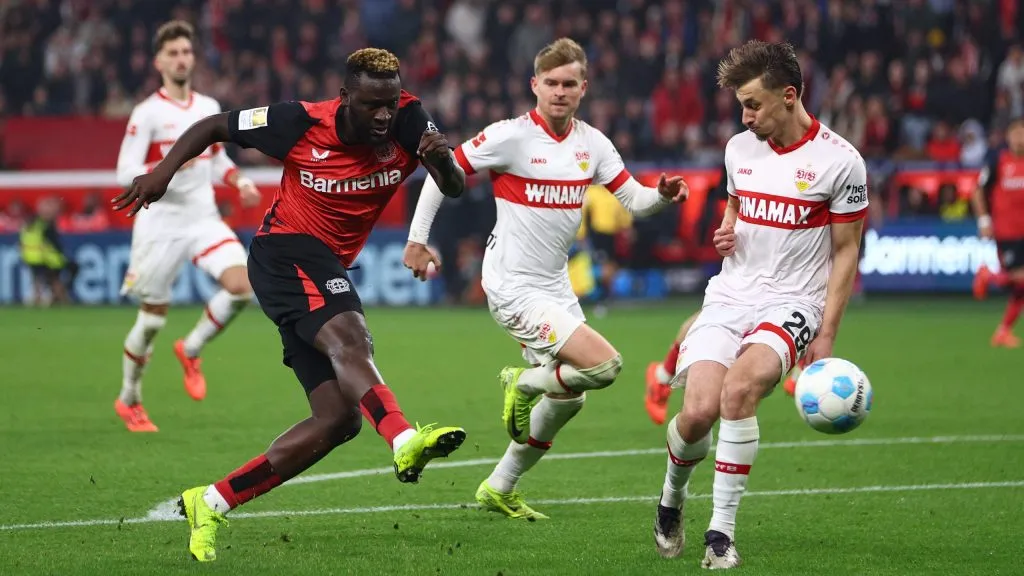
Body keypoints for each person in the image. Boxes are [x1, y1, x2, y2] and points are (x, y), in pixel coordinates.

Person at [113, 47, 468, 562]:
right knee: (352, 339)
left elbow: (453, 187)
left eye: (390, 103)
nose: (384, 116)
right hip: (285, 251)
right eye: (372, 105)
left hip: (322, 264)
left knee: (337, 420)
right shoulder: (298, 122)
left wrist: (441, 161)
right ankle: (403, 438)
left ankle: (210, 501)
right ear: (345, 98)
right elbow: (214, 125)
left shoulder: (409, 120)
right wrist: (164, 172)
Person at [404, 38, 686, 520]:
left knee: (571, 396)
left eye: (568, 84)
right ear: (534, 85)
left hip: (554, 286)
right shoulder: (509, 136)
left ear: (583, 88)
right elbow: (441, 171)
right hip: (512, 284)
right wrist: (417, 239)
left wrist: (660, 195)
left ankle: (499, 486)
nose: (559, 91)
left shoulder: (593, 144)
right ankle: (523, 381)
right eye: (550, 83)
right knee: (606, 366)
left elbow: (635, 201)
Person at [651, 40, 868, 568]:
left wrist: (828, 333)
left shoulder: (841, 162)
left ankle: (719, 535)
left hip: (793, 300)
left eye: (753, 104)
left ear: (789, 96)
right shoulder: (738, 149)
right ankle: (671, 498)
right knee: (697, 413)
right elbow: (735, 205)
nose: (745, 117)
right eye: (740, 106)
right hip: (730, 292)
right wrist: (726, 231)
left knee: (739, 391)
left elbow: (845, 251)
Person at [114, 21, 262, 431]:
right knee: (151, 321)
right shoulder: (147, 113)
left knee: (243, 285)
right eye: (173, 53)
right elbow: (123, 170)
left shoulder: (207, 106)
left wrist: (240, 180)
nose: (181, 59)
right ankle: (129, 398)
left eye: (186, 52)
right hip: (159, 224)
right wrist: (168, 166)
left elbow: (216, 159)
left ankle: (191, 348)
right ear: (159, 61)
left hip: (203, 218)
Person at [972, 117, 1024, 348]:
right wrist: (984, 220)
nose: (1020, 137)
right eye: (1016, 132)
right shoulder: (998, 160)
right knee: (1020, 280)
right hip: (1008, 232)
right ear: (1009, 136)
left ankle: (1003, 331)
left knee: (1020, 289)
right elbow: (977, 190)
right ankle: (988, 276)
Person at [19, 197, 77, 306]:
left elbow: (23, 240)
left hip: (33, 257)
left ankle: (45, 300)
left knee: (41, 281)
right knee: (54, 280)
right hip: (47, 259)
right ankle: (62, 301)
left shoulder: (32, 223)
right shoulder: (44, 225)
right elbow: (53, 244)